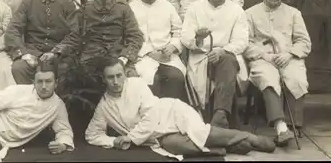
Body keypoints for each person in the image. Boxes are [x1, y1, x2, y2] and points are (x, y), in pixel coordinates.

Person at [85, 59, 275, 158]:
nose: (117, 81)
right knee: (177, 147)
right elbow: (92, 135)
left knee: (200, 133)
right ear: (104, 79)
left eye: (119, 75)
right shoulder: (104, 106)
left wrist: (131, 138)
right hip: (159, 137)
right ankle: (230, 147)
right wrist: (113, 141)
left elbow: (151, 117)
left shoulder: (135, 84)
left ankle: (251, 138)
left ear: (124, 74)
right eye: (111, 78)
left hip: (171, 113)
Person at [52, 0, 144, 134]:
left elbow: (135, 37)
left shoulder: (123, 9)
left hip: (117, 57)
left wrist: (125, 58)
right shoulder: (86, 11)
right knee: (68, 76)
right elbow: (75, 37)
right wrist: (58, 50)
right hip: (90, 59)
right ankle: (71, 127)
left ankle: (129, 125)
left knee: (132, 80)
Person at [244, 0, 311, 147]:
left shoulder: (293, 13)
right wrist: (263, 55)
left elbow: (304, 42)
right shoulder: (250, 13)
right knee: (268, 77)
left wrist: (289, 54)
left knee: (297, 78)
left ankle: (293, 124)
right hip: (263, 58)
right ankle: (280, 126)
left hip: (288, 57)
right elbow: (245, 42)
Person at [181, 0, 249, 129]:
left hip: (226, 56)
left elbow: (242, 41)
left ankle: (219, 114)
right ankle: (222, 115)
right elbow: (185, 36)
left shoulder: (236, 10)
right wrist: (198, 39)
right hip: (200, 56)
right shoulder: (195, 7)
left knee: (227, 61)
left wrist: (222, 50)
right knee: (227, 65)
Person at [4, 0, 79, 84]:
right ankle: (27, 102)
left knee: (69, 70)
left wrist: (57, 52)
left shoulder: (67, 3)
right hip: (33, 53)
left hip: (59, 55)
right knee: (19, 68)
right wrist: (24, 54)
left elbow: (75, 33)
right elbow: (13, 31)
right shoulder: (28, 3)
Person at [130, 0, 187, 102]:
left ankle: (171, 115)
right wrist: (149, 52)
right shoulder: (131, 8)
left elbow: (178, 31)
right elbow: (129, 36)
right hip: (142, 57)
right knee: (149, 80)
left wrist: (172, 46)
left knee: (176, 77)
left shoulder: (167, 6)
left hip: (167, 57)